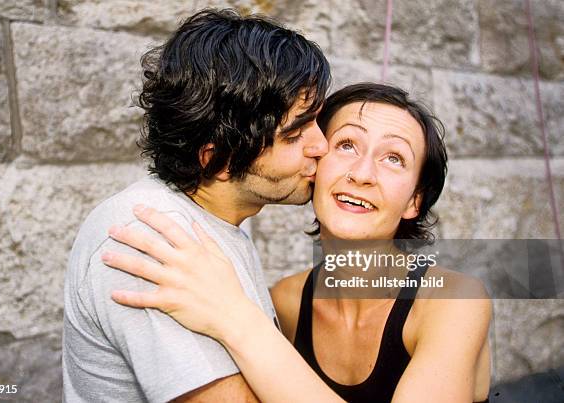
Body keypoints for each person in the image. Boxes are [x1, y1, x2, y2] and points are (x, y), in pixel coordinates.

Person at [102, 83, 492, 402]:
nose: (362, 174)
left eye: (393, 158)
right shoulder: (286, 302)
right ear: (315, 162)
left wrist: (237, 319)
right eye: (346, 145)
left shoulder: (454, 302)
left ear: (414, 201)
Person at [62, 8, 331, 402]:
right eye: (295, 134)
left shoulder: (212, 221)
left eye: (318, 121)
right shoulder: (153, 237)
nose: (321, 146)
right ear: (217, 159)